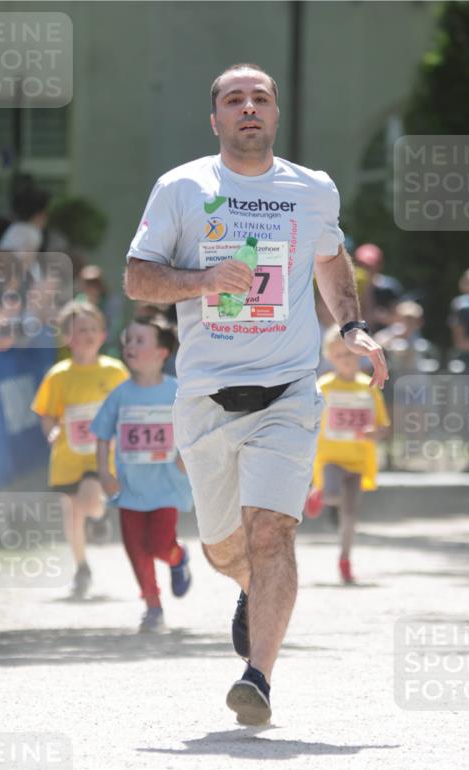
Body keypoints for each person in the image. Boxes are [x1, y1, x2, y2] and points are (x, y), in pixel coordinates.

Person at [124, 62, 388, 725]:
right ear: (216, 120)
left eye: (260, 99)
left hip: (289, 392)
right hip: (207, 397)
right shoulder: (181, 187)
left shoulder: (313, 190)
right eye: (235, 100)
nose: (249, 108)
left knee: (272, 531)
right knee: (223, 548)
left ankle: (258, 677)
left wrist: (352, 324)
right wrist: (204, 280)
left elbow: (329, 257)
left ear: (275, 114)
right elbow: (136, 278)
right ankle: (246, 586)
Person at [91, 312, 193, 631]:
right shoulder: (121, 394)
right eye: (128, 341)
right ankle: (152, 606)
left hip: (166, 487)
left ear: (162, 353)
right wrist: (104, 474)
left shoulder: (178, 392)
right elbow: (102, 434)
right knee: (136, 550)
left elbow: (195, 429)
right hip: (130, 489)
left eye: (140, 340)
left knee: (160, 545)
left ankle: (178, 558)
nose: (130, 346)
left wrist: (186, 456)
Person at [31, 301, 128, 596]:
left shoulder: (115, 372)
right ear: (66, 336)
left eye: (92, 329)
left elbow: (128, 408)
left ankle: (98, 516)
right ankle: (82, 566)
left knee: (89, 499)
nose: (86, 335)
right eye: (79, 329)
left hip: (102, 457)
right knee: (71, 515)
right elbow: (47, 413)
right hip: (67, 456)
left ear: (102, 335)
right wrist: (52, 431)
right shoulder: (59, 375)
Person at [304, 326, 390, 583]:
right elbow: (309, 417)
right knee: (332, 495)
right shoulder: (324, 386)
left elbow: (383, 426)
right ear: (330, 357)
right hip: (331, 456)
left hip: (358, 460)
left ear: (360, 356)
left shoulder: (369, 386)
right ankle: (319, 494)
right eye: (340, 355)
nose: (346, 360)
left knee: (351, 515)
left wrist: (374, 433)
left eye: (350, 354)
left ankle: (345, 558)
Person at [354, 243, 403, 331]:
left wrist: (384, 318)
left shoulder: (389, 288)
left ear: (380, 265)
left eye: (370, 266)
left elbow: (400, 319)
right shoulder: (350, 288)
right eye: (362, 265)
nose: (366, 269)